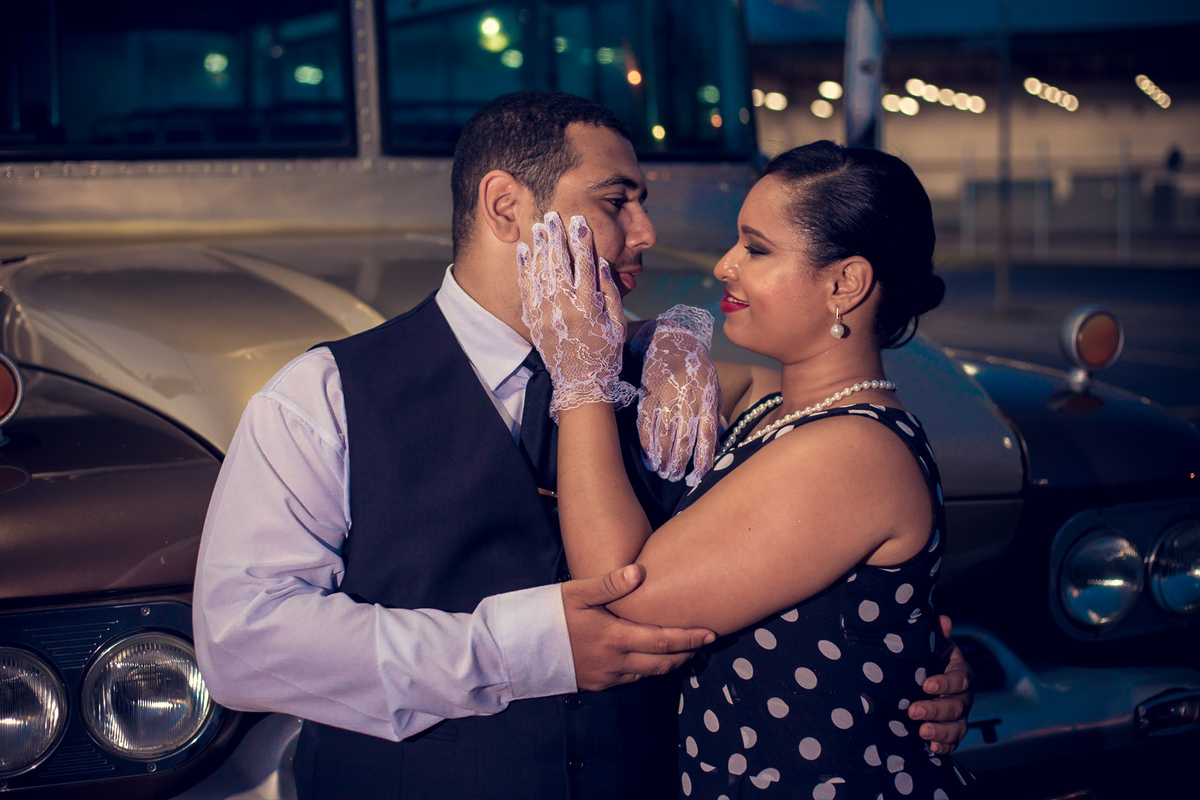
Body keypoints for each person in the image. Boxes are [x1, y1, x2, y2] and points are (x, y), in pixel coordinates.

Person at [194, 93, 970, 800]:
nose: (648, 234)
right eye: (616, 202)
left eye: (643, 202)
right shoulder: (323, 395)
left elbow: (842, 512)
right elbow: (241, 644)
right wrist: (511, 649)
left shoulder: (682, 375)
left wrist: (912, 663)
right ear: (506, 207)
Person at [517, 140, 974, 798]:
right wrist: (664, 334)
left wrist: (583, 381)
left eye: (757, 249)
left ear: (844, 284)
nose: (725, 265)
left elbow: (619, 595)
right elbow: (691, 369)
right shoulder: (785, 408)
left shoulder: (848, 452)